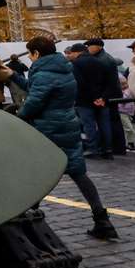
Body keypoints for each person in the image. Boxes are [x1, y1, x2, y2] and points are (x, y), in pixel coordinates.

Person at [14, 36, 118, 240]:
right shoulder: (62, 68)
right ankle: (102, 219)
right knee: (78, 172)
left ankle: (24, 217)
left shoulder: (44, 73)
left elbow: (35, 101)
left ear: (36, 53)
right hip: (68, 124)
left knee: (39, 172)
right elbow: (37, 88)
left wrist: (19, 117)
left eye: (30, 54)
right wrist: (13, 76)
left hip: (49, 127)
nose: (30, 59)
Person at [72, 39, 114, 159]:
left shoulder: (77, 64)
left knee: (88, 125)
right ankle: (108, 149)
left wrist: (94, 98)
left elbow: (80, 83)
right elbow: (109, 82)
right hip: (102, 100)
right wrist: (102, 98)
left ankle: (92, 149)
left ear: (76, 53)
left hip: (85, 100)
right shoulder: (100, 62)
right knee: (104, 125)